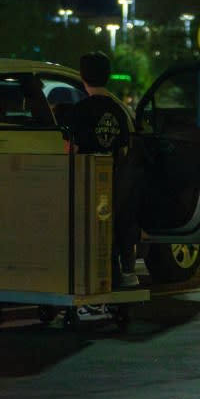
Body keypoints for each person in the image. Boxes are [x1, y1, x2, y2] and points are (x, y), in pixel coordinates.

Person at [66, 51, 141, 289]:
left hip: (85, 184)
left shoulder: (80, 111)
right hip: (111, 185)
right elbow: (123, 151)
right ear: (107, 76)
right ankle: (121, 274)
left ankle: (92, 289)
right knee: (109, 237)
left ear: (82, 76)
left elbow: (71, 150)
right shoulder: (119, 111)